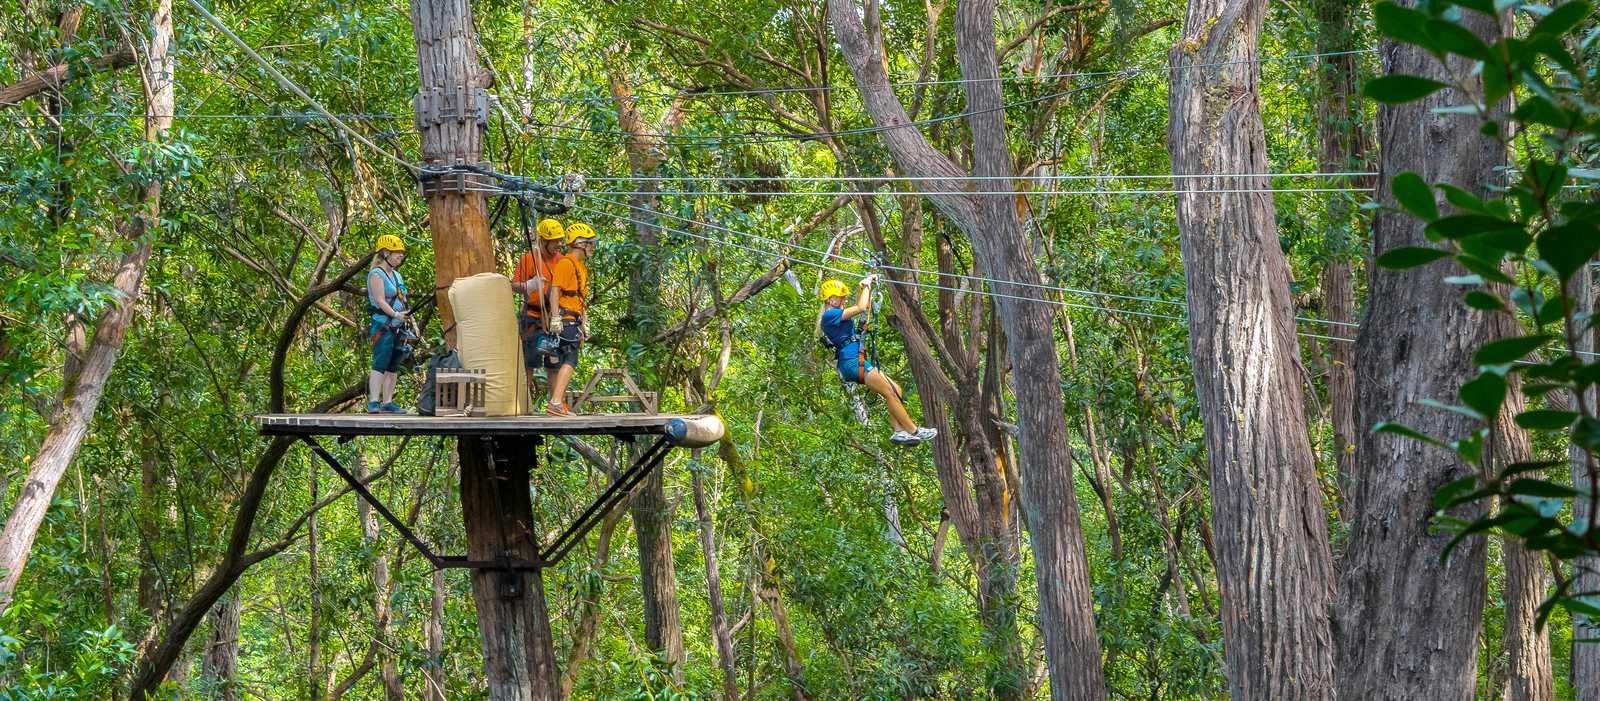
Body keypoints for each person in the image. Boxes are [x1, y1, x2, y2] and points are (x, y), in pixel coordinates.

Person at [817, 275, 937, 445]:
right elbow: (861, 307)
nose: (844, 300)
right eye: (841, 297)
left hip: (856, 359)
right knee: (888, 391)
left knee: (896, 389)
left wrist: (867, 286)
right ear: (830, 299)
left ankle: (898, 432)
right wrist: (865, 285)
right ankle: (914, 430)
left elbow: (863, 306)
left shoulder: (836, 314)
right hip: (851, 361)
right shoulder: (830, 316)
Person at [543, 222, 594, 417]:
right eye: (589, 243)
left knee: (563, 359)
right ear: (580, 243)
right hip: (564, 317)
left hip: (574, 317)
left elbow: (581, 298)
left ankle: (557, 402)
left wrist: (584, 323)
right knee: (569, 359)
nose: (592, 247)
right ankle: (555, 402)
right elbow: (555, 291)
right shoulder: (566, 263)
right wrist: (555, 317)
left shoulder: (581, 267)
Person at [512, 218, 567, 378]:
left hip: (552, 322)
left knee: (554, 364)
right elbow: (514, 285)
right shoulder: (528, 259)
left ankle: (555, 403)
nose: (558, 244)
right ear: (543, 241)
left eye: (560, 240)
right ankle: (525, 402)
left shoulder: (562, 261)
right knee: (529, 364)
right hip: (532, 319)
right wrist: (529, 285)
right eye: (554, 241)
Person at [366, 235, 410, 414]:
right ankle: (374, 401)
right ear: (385, 253)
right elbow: (379, 300)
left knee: (394, 364)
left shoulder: (397, 275)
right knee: (381, 361)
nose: (400, 256)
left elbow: (402, 298)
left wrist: (405, 317)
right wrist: (395, 314)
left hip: (398, 325)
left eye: (401, 253)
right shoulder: (376, 274)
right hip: (383, 326)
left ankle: (388, 401)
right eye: (397, 252)